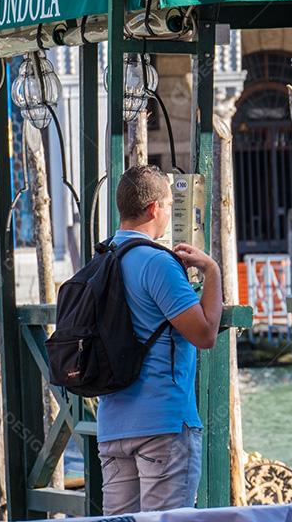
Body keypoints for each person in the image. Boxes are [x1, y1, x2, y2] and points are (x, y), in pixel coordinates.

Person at [97, 165, 224, 514]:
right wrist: (211, 271)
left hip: (111, 427)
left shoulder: (100, 259)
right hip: (163, 424)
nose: (170, 212)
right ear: (155, 208)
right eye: (169, 204)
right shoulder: (157, 262)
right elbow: (205, 333)